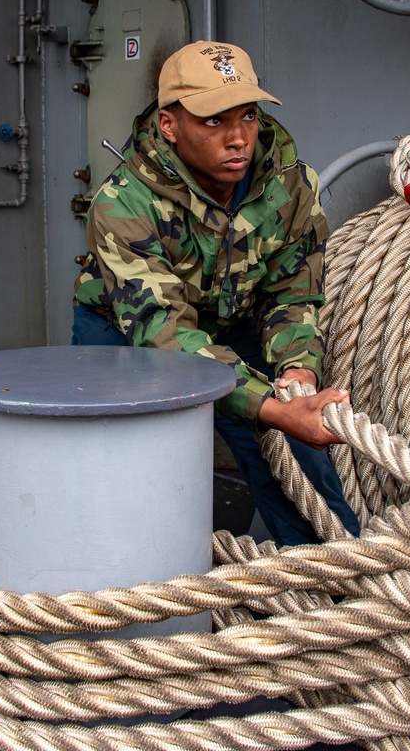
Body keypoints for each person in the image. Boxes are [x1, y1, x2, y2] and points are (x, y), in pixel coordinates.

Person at [71, 40, 361, 546]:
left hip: (232, 321)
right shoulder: (122, 204)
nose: (238, 139)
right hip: (127, 335)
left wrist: (296, 370)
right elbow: (163, 333)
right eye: (213, 121)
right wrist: (270, 406)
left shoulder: (289, 185)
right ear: (169, 125)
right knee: (121, 480)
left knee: (298, 458)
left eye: (248, 116)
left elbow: (292, 291)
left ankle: (337, 587)